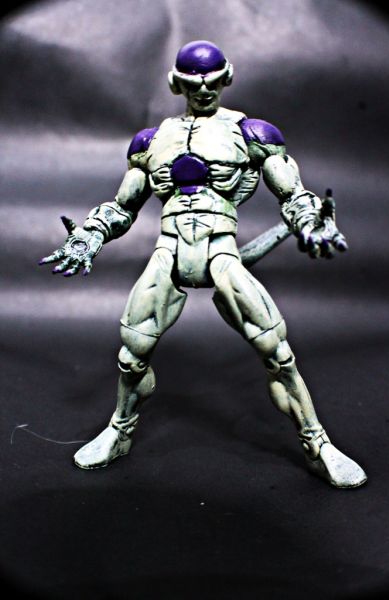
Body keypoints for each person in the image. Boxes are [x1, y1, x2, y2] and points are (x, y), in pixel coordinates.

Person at [40, 40, 367, 488]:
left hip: (220, 250)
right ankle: (119, 431)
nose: (204, 90)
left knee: (278, 354)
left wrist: (311, 222)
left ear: (226, 78)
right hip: (169, 250)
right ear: (176, 83)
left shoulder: (252, 134)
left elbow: (292, 193)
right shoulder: (150, 142)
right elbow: (123, 206)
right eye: (194, 83)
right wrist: (91, 235)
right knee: (131, 356)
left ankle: (318, 443)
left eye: (212, 82)